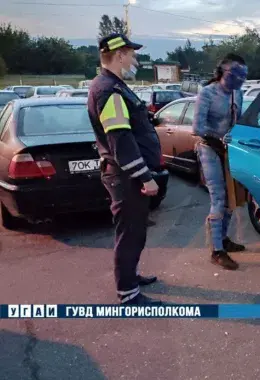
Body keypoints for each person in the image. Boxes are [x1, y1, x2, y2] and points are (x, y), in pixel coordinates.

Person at [87, 33, 161, 305]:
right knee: (129, 233)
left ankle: (131, 275)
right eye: (132, 54)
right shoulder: (109, 90)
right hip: (126, 176)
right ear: (119, 55)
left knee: (135, 230)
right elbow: (121, 140)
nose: (135, 59)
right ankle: (128, 293)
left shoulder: (114, 86)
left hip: (126, 175)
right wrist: (144, 176)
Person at [193, 53, 248, 270]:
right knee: (218, 198)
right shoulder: (207, 93)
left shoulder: (239, 94)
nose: (240, 79)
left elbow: (239, 121)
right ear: (222, 72)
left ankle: (223, 239)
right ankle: (216, 250)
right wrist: (219, 139)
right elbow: (197, 128)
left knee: (231, 199)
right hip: (209, 149)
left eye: (244, 75)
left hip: (229, 150)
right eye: (236, 74)